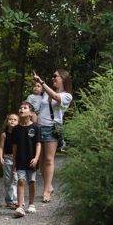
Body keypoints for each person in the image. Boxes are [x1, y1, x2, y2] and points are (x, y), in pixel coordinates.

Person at [32, 69, 73, 203]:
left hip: (52, 129)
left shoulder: (67, 96)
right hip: (39, 128)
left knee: (49, 160)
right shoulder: (45, 93)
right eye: (52, 75)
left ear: (63, 78)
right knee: (41, 161)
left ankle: (46, 190)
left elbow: (55, 97)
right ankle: (48, 186)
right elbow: (41, 106)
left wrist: (41, 82)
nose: (53, 77)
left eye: (55, 76)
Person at [11, 102, 41, 218]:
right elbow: (14, 147)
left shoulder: (36, 127)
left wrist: (36, 158)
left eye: (24, 108)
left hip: (32, 160)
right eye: (20, 107)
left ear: (31, 113)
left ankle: (32, 204)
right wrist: (14, 162)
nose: (21, 109)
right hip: (20, 159)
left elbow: (38, 144)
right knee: (21, 181)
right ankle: (19, 207)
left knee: (31, 181)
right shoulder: (16, 129)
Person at [0, 113, 19, 209]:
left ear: (18, 122)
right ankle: (10, 201)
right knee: (8, 180)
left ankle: (16, 200)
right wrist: (1, 157)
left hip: (17, 159)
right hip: (8, 158)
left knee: (16, 179)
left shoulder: (19, 134)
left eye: (15, 119)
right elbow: (0, 147)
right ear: (7, 122)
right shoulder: (4, 134)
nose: (12, 121)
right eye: (10, 119)